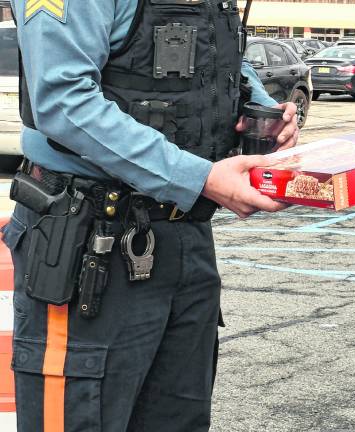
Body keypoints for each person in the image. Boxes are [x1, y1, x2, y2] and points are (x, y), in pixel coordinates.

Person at [2, 0, 298, 430]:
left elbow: (207, 54)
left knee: (177, 417)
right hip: (86, 236)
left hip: (182, 232)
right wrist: (198, 180)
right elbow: (63, 101)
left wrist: (262, 109)